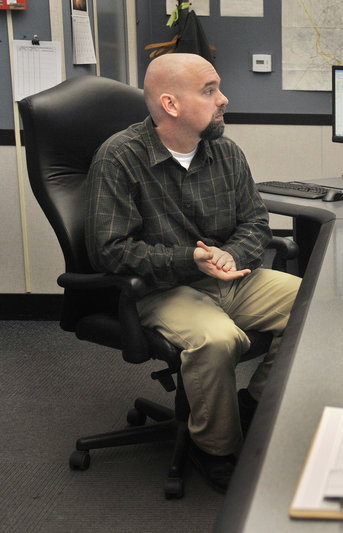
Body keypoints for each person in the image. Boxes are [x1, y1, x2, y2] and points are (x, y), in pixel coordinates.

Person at [85, 53, 301, 493]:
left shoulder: (225, 152)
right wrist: (191, 260)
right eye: (209, 91)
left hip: (228, 276)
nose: (224, 99)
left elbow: (255, 223)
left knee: (313, 306)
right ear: (171, 104)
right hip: (161, 287)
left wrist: (229, 256)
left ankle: (250, 404)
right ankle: (215, 448)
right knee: (218, 339)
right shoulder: (119, 159)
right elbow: (111, 251)